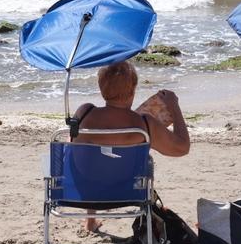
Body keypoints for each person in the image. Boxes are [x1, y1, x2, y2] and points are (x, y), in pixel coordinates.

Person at [72, 61, 191, 231]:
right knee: (146, 161)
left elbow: (74, 148)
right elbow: (182, 148)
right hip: (126, 192)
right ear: (133, 89)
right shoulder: (143, 125)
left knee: (95, 157)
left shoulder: (84, 112)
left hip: (83, 190)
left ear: (101, 88)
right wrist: (174, 107)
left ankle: (90, 221)